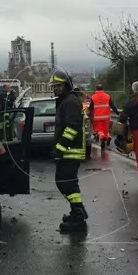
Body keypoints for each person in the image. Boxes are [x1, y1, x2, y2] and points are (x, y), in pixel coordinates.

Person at [48, 69, 88, 232]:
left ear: (66, 85)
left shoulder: (70, 102)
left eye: (58, 86)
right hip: (68, 149)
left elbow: (72, 127)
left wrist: (60, 148)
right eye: (54, 86)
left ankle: (78, 216)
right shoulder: (66, 100)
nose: (55, 89)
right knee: (65, 182)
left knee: (67, 182)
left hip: (71, 150)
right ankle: (77, 210)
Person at [89, 84, 120, 150]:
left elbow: (90, 108)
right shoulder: (107, 96)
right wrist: (117, 112)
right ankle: (108, 137)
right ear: (102, 89)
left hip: (97, 118)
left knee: (99, 130)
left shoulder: (93, 97)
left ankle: (102, 138)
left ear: (96, 89)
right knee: (105, 131)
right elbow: (112, 106)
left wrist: (90, 116)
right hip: (106, 117)